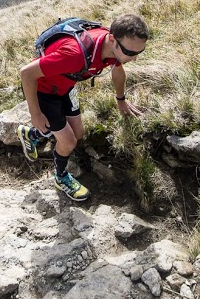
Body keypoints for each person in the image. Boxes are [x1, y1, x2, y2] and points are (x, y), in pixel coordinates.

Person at [17, 13, 148, 201]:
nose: (134, 58)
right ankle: (61, 177)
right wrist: (35, 113)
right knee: (69, 142)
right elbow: (26, 73)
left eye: (139, 52)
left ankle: (31, 135)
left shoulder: (114, 47)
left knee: (78, 134)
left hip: (66, 86)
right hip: (44, 91)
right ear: (112, 39)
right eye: (130, 53)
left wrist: (121, 100)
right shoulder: (75, 55)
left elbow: (118, 72)